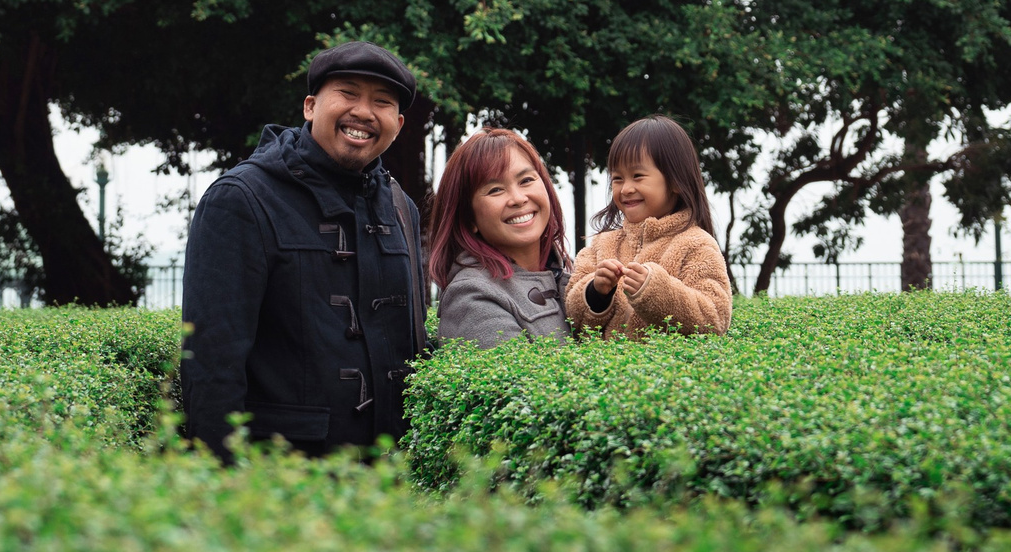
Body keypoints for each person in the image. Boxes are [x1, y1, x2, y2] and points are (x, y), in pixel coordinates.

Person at [178, 41, 428, 456]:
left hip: (388, 482)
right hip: (281, 481)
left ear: (398, 124)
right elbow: (211, 365)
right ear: (311, 106)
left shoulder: (402, 208)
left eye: (381, 102)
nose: (364, 112)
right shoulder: (241, 199)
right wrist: (219, 483)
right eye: (348, 94)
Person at [566, 115, 733, 338]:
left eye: (637, 176)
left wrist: (656, 292)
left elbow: (715, 319)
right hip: (601, 372)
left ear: (675, 181)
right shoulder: (601, 244)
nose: (625, 189)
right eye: (617, 178)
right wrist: (596, 291)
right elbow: (572, 316)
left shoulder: (697, 244)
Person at [427, 127, 572, 346]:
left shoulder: (574, 273)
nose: (518, 198)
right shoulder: (472, 296)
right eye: (495, 190)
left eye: (526, 180)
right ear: (469, 218)